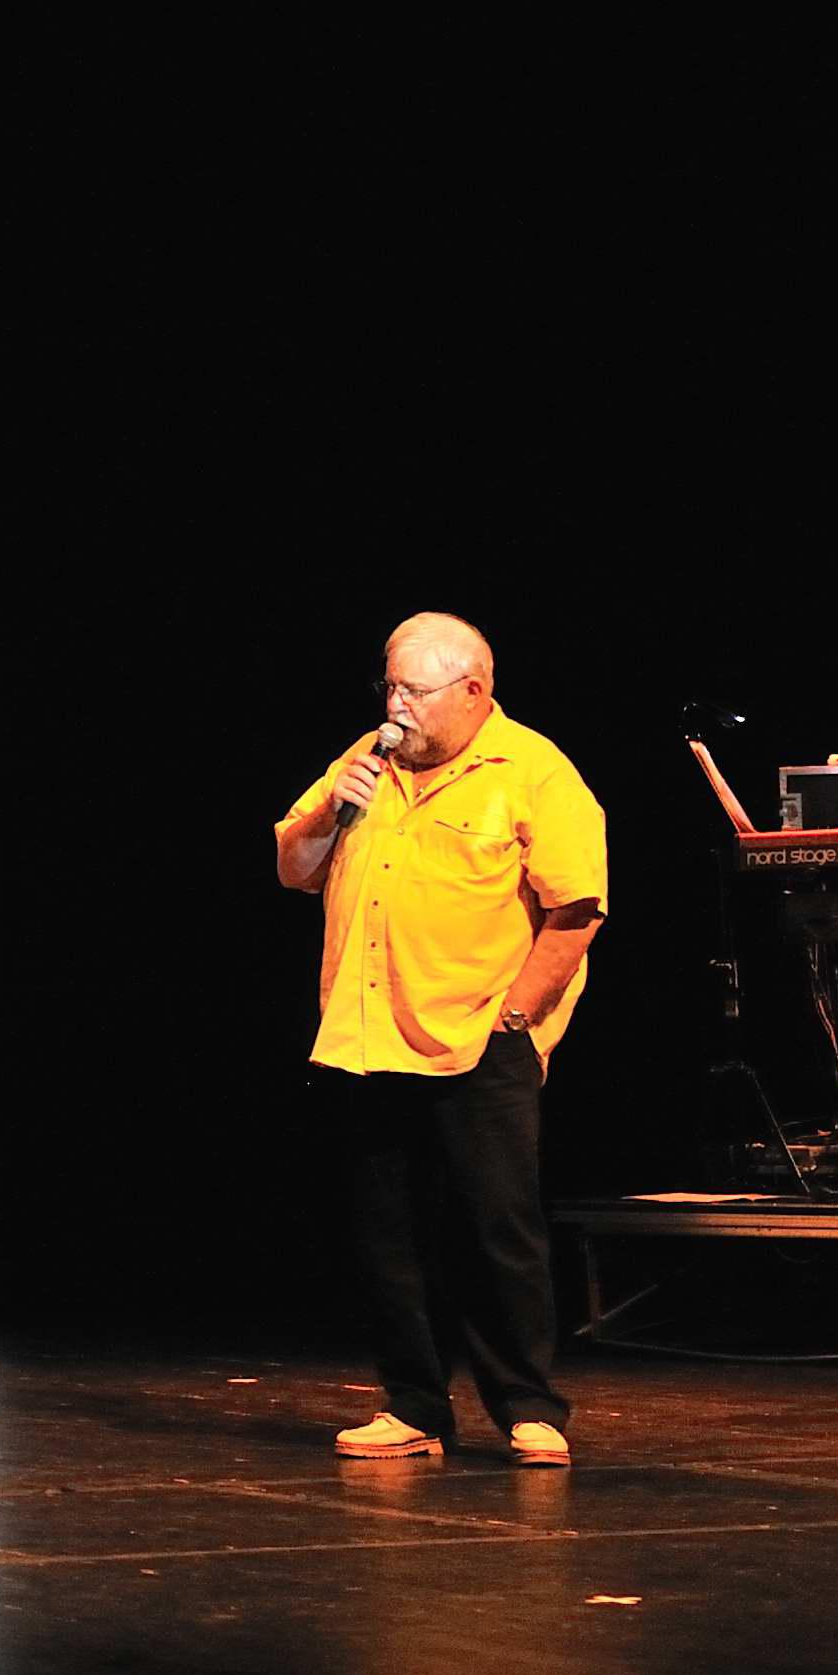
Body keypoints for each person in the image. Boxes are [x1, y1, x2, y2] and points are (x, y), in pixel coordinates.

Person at [270, 613, 603, 1469]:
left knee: (498, 1228)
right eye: (390, 687)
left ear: (473, 691)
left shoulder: (534, 772)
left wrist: (518, 1019)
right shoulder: (365, 761)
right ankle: (412, 1404)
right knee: (389, 1232)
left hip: (480, 1035)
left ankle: (529, 1409)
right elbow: (294, 869)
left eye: (414, 691)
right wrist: (329, 814)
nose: (398, 706)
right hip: (368, 1032)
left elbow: (575, 913)